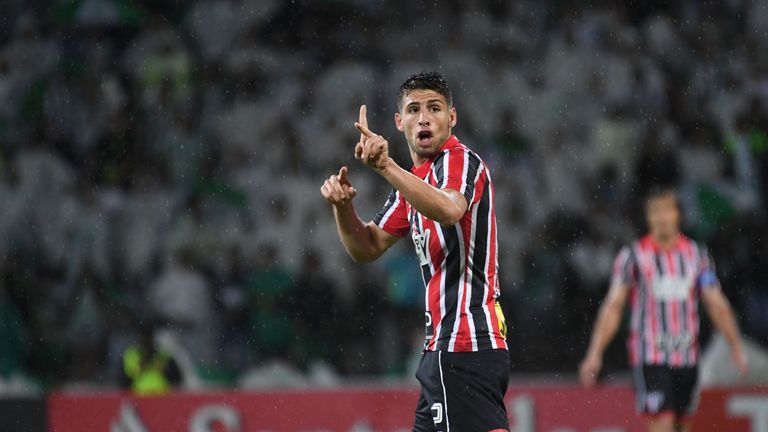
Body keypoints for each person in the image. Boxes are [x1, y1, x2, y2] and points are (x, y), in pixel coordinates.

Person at [320, 71, 509, 432]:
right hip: (444, 346)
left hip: (465, 344)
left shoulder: (459, 161)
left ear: (451, 118)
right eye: (414, 109)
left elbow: (451, 209)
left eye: (434, 108)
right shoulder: (413, 183)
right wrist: (343, 208)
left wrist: (387, 167)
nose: (424, 117)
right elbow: (368, 247)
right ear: (399, 121)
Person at [579, 188, 749, 432]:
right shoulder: (634, 257)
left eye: (667, 210)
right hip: (651, 356)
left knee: (682, 425)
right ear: (648, 218)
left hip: (687, 355)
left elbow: (716, 302)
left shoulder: (696, 256)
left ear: (678, 214)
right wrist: (595, 352)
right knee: (663, 421)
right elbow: (614, 306)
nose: (662, 217)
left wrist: (735, 344)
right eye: (655, 211)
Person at [120, 322, 182, 396]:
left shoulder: (163, 356)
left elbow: (177, 378)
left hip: (161, 396)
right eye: (144, 339)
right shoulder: (131, 355)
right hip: (138, 396)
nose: (147, 342)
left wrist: (165, 370)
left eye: (148, 338)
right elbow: (123, 379)